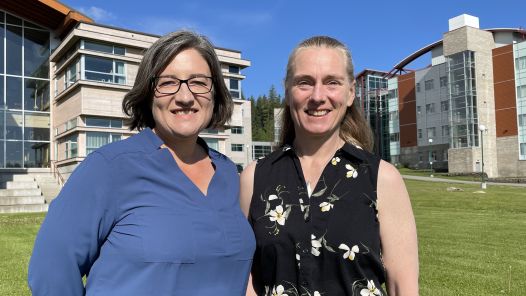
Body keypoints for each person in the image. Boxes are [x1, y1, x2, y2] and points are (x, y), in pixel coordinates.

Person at [28, 30, 255, 296]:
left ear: (214, 92)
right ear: (149, 93)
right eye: (168, 83)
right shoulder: (108, 168)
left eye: (199, 82)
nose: (185, 96)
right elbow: (51, 272)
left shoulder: (228, 173)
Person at [240, 36, 418, 296]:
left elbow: (403, 286)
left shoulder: (382, 178)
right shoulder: (255, 178)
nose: (318, 96)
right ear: (288, 91)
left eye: (332, 82)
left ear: (350, 93)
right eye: (304, 83)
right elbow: (247, 279)